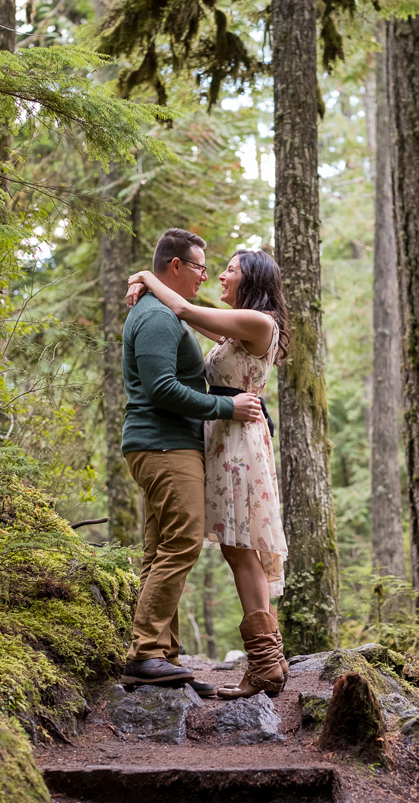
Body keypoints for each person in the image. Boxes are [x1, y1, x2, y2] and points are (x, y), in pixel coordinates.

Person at [128, 248, 291, 699]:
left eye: (230, 270)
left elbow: (181, 307)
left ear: (251, 278)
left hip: (239, 441)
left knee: (243, 549)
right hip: (223, 436)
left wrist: (145, 273)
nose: (220, 275)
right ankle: (268, 661)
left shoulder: (259, 323)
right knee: (237, 551)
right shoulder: (237, 324)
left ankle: (264, 664)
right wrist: (150, 287)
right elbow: (184, 313)